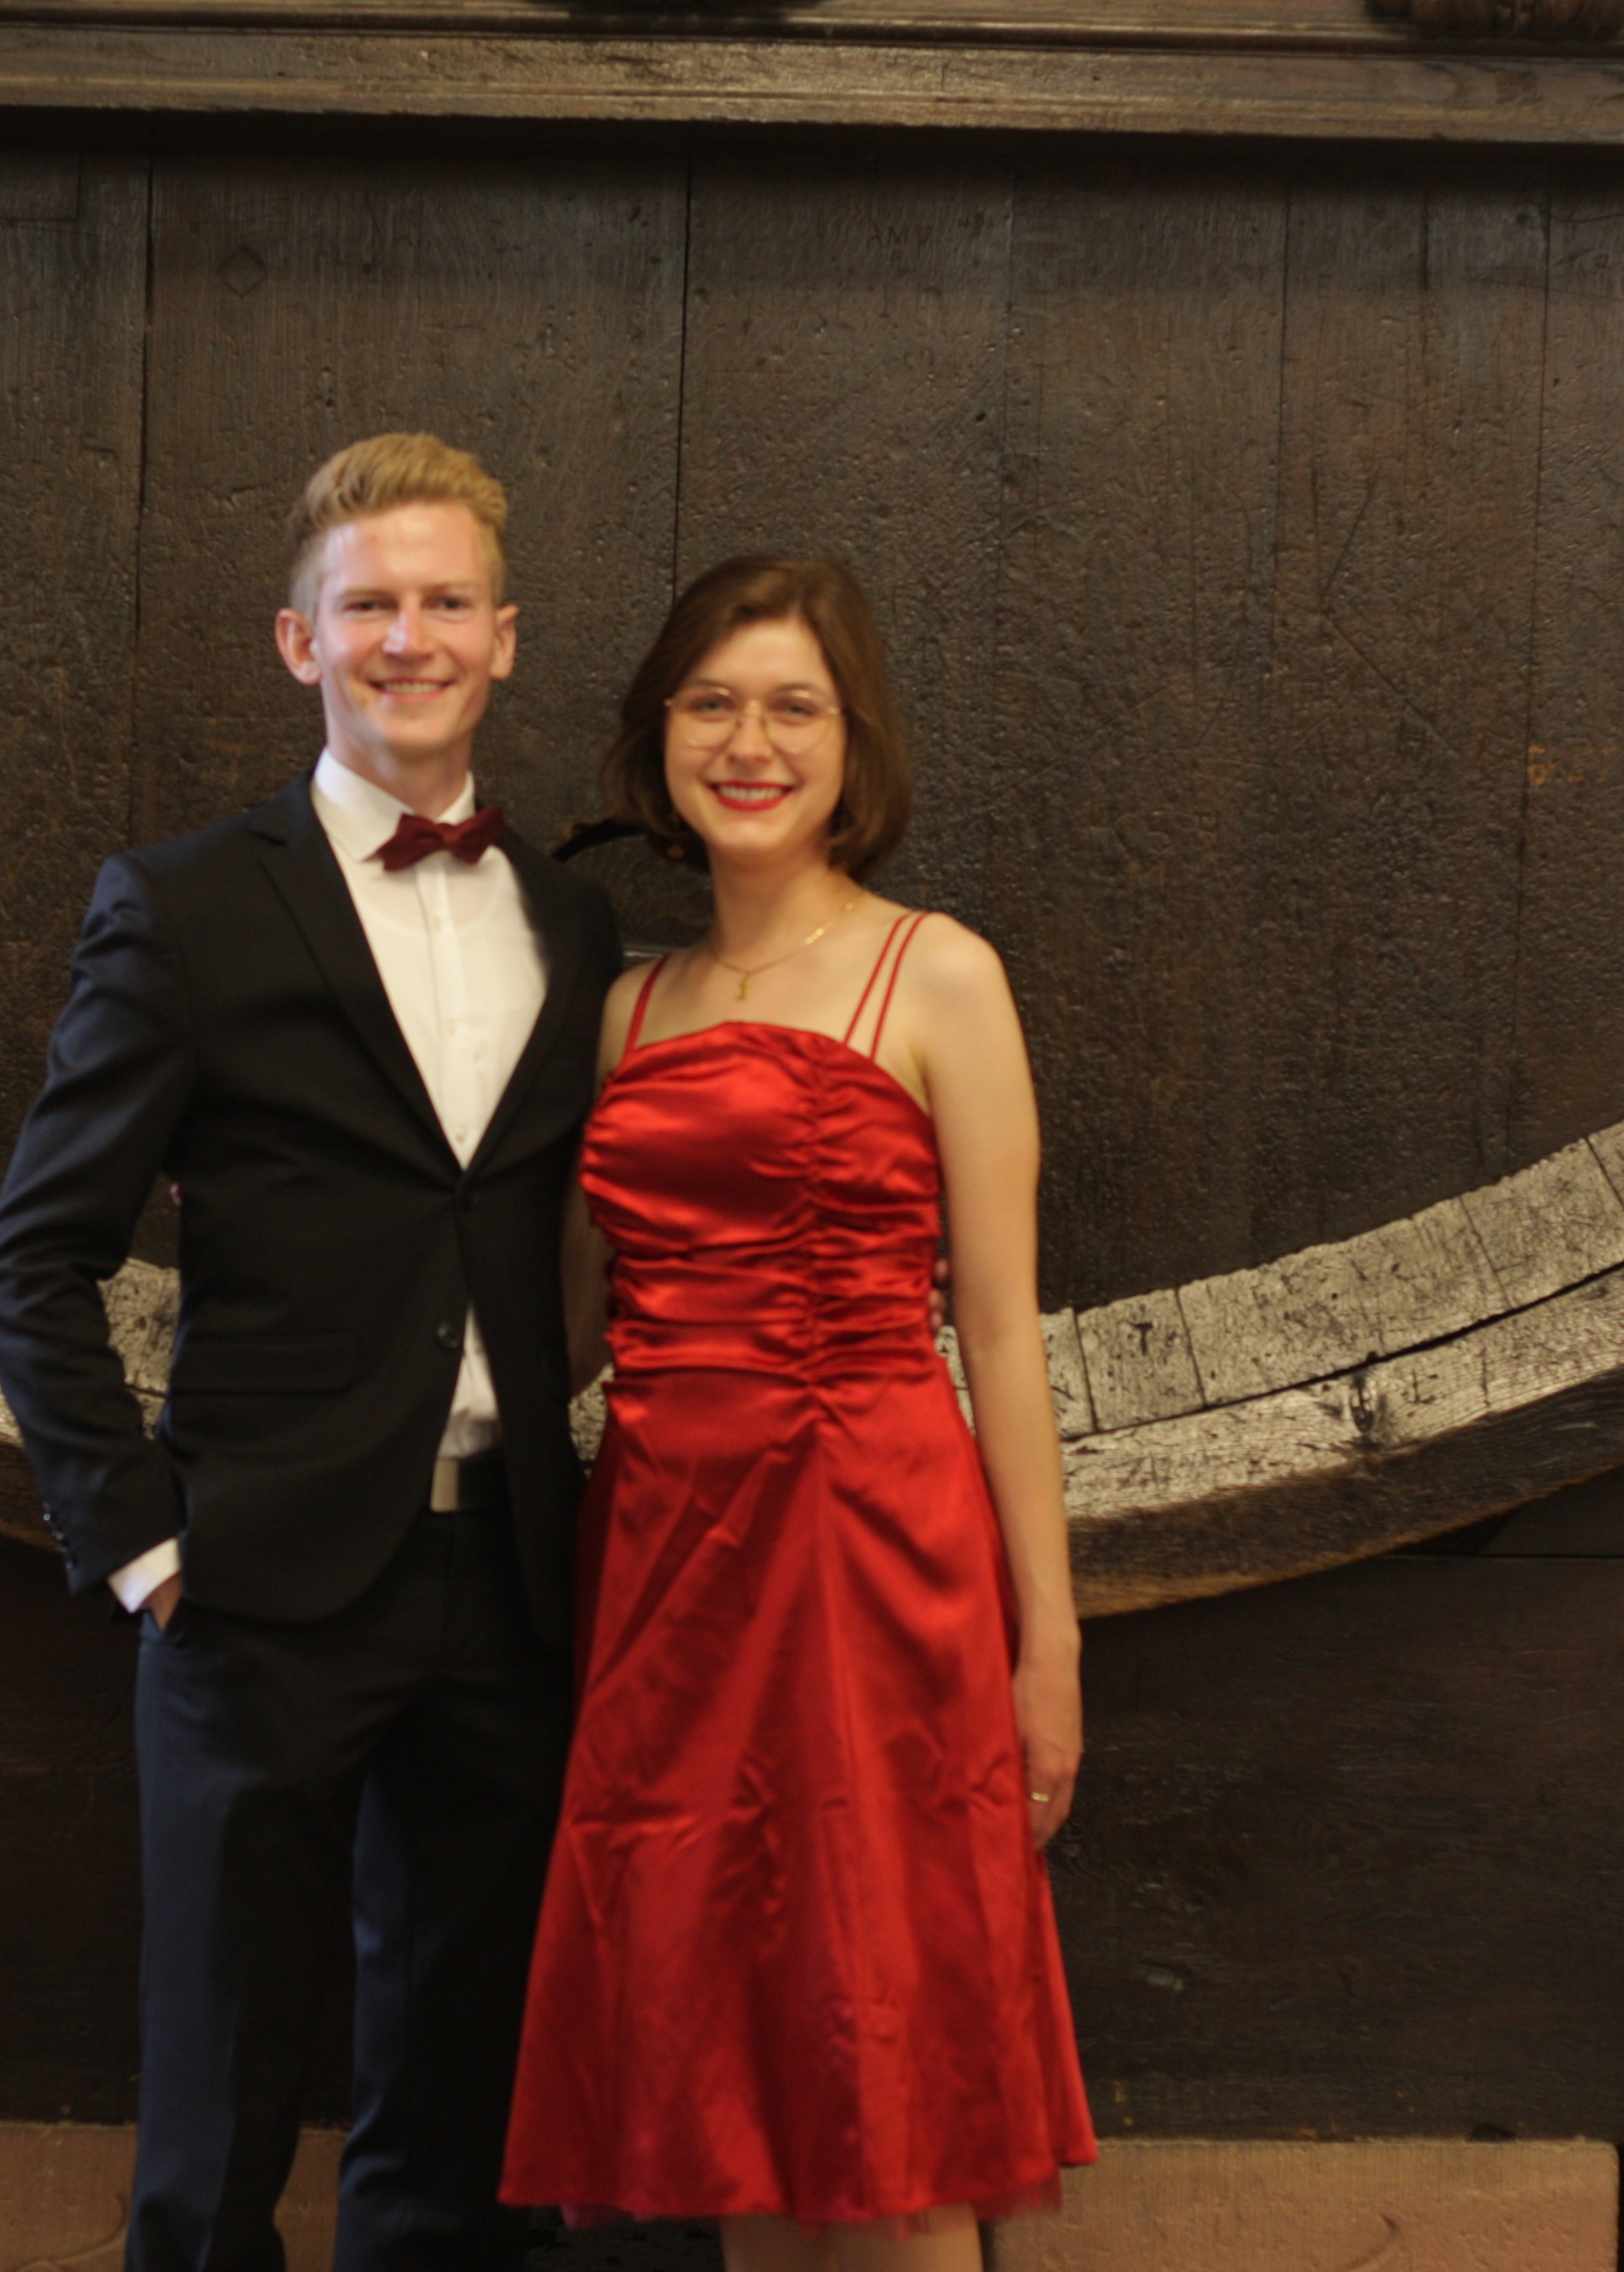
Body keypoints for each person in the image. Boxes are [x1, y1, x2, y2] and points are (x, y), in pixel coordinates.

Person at [0, 434, 622, 2272]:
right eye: (368, 605)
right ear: (299, 641)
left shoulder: (573, 921)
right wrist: (141, 1545)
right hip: (255, 1584)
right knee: (218, 2111)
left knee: (465, 2117)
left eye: (444, 602)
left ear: (504, 636)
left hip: (511, 1581)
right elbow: (35, 1261)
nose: (408, 638)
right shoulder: (182, 903)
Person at [501, 557, 1096, 2269]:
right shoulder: (625, 1007)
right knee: (731, 2094)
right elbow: (554, 1309)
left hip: (872, 1562)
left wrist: (1047, 1643)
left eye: (792, 709)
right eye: (711, 705)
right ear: (659, 739)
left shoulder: (939, 975)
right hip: (665, 1576)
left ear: (854, 746)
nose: (748, 745)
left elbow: (1003, 1335)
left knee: (889, 2081)